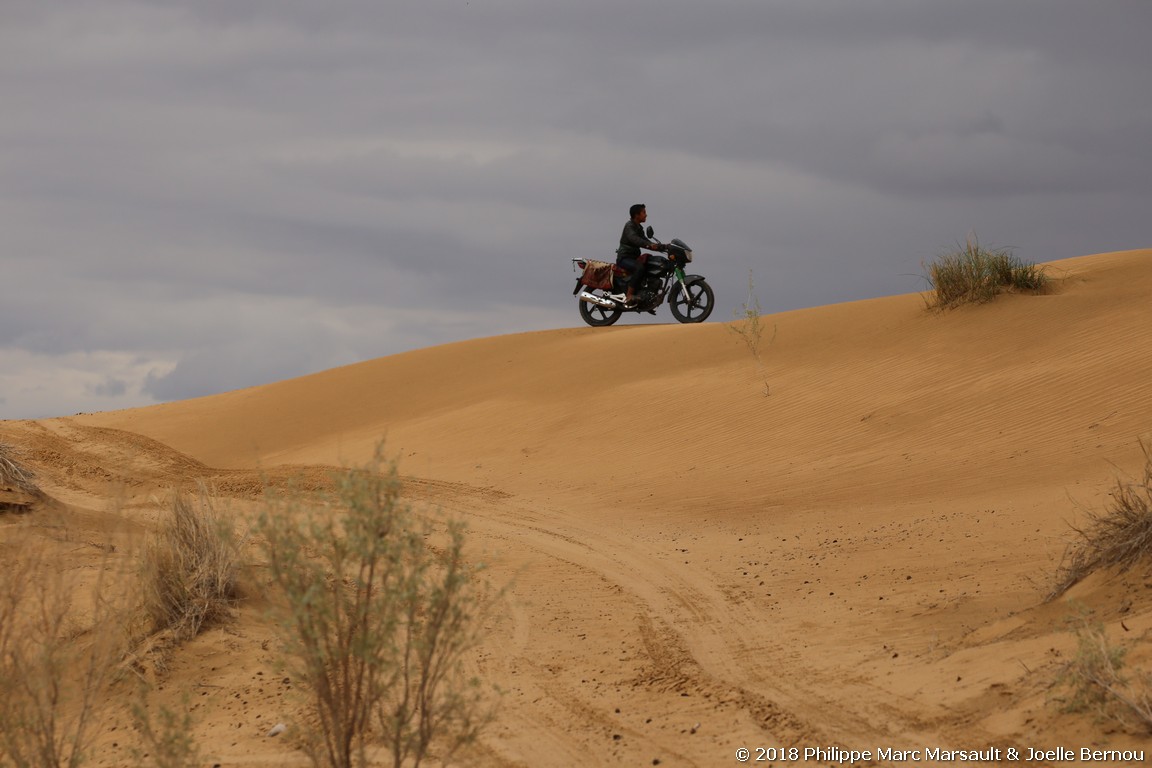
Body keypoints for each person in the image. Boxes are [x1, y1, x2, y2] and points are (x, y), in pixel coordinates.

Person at [613, 203, 665, 305]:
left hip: (633, 258)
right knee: (640, 268)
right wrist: (650, 245)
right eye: (644, 212)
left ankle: (645, 298)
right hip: (624, 258)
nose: (646, 215)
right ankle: (629, 296)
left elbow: (645, 241)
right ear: (636, 215)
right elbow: (635, 239)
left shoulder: (639, 228)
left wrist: (664, 246)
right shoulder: (629, 226)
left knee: (650, 267)